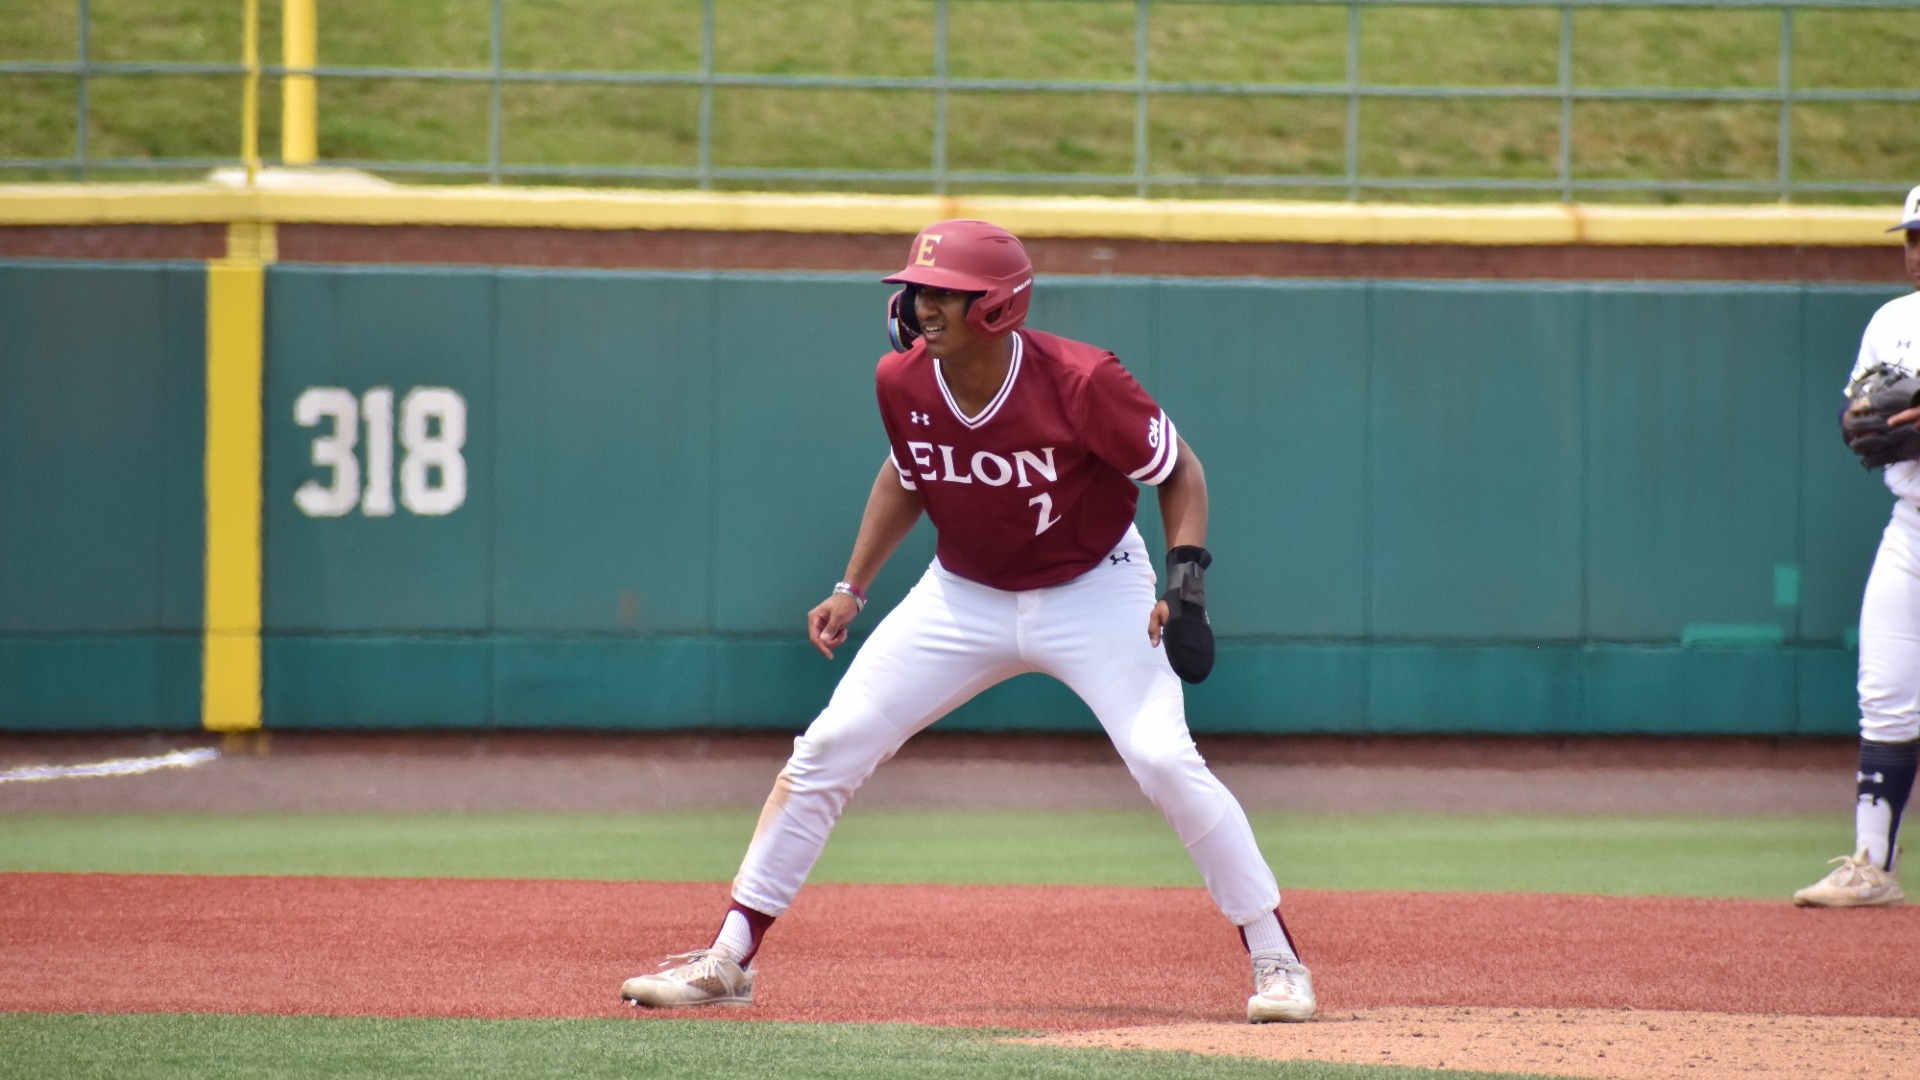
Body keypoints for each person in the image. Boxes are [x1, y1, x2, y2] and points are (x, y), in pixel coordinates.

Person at [619, 219, 1316, 1022]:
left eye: (946, 293)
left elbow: (1178, 468)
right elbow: (908, 474)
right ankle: (728, 960)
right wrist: (854, 584)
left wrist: (1186, 577)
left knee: (1163, 757)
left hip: (1094, 586)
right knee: (827, 749)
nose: (922, 307)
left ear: (997, 305)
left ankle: (1278, 960)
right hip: (963, 594)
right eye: (916, 291)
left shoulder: (1083, 380)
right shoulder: (902, 380)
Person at [1794, 184, 1920, 908]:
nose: (1916, 251)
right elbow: (1858, 411)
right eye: (1911, 236)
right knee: (1885, 698)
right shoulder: (1891, 320)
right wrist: (1859, 424)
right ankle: (1873, 865)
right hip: (1912, 526)